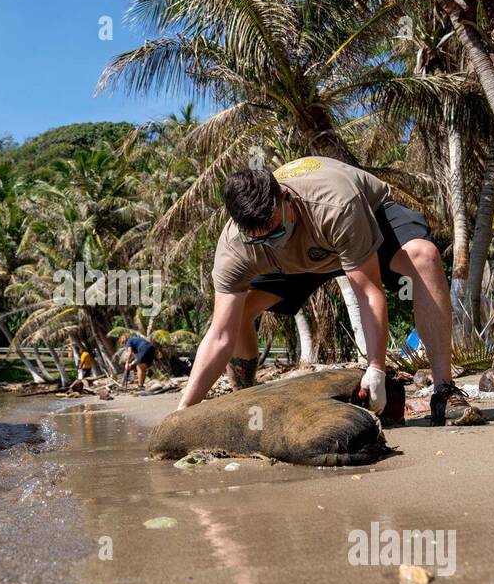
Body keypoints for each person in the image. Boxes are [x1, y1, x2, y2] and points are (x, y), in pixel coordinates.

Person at [175, 156, 466, 425]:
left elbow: (367, 292)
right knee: (236, 315)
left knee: (424, 257)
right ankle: (246, 399)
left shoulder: (337, 204)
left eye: (276, 231)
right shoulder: (234, 248)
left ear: (285, 199)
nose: (273, 241)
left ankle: (444, 392)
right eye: (258, 239)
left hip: (363, 221)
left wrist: (375, 369)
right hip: (297, 262)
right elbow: (220, 335)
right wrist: (184, 411)